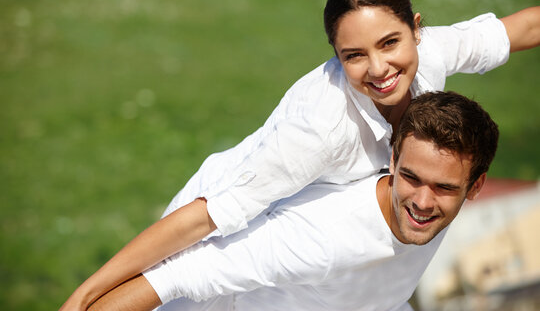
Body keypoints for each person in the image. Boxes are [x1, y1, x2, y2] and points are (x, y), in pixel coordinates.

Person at [60, 0, 540, 310]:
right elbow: (203, 221)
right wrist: (86, 294)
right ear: (335, 54)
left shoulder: (430, 50)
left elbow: (521, 28)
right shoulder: (318, 129)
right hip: (230, 221)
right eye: (353, 55)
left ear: (416, 29)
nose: (378, 69)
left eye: (390, 43)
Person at [85, 91, 500, 311]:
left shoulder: (422, 191)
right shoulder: (320, 236)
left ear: (475, 186)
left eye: (444, 188)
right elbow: (173, 278)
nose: (423, 202)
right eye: (410, 178)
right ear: (392, 161)